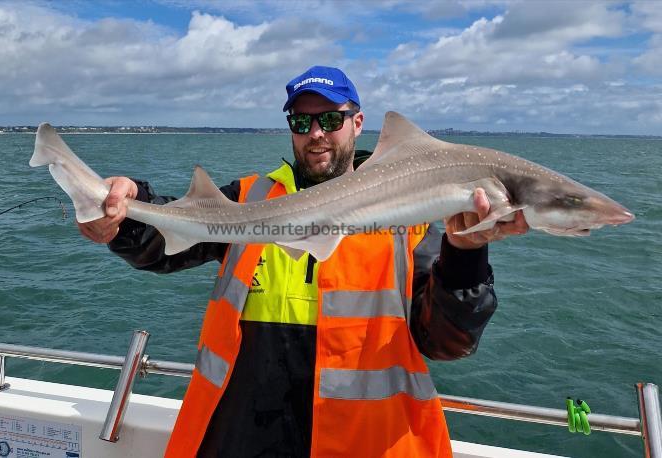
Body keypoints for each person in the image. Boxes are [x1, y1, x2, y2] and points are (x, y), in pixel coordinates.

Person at [78, 66, 528, 458]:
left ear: (357, 123)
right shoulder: (249, 198)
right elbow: (167, 240)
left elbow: (445, 343)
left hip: (363, 443)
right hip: (242, 436)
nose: (316, 133)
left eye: (331, 119)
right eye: (302, 121)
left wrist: (466, 252)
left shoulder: (412, 219)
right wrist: (124, 216)